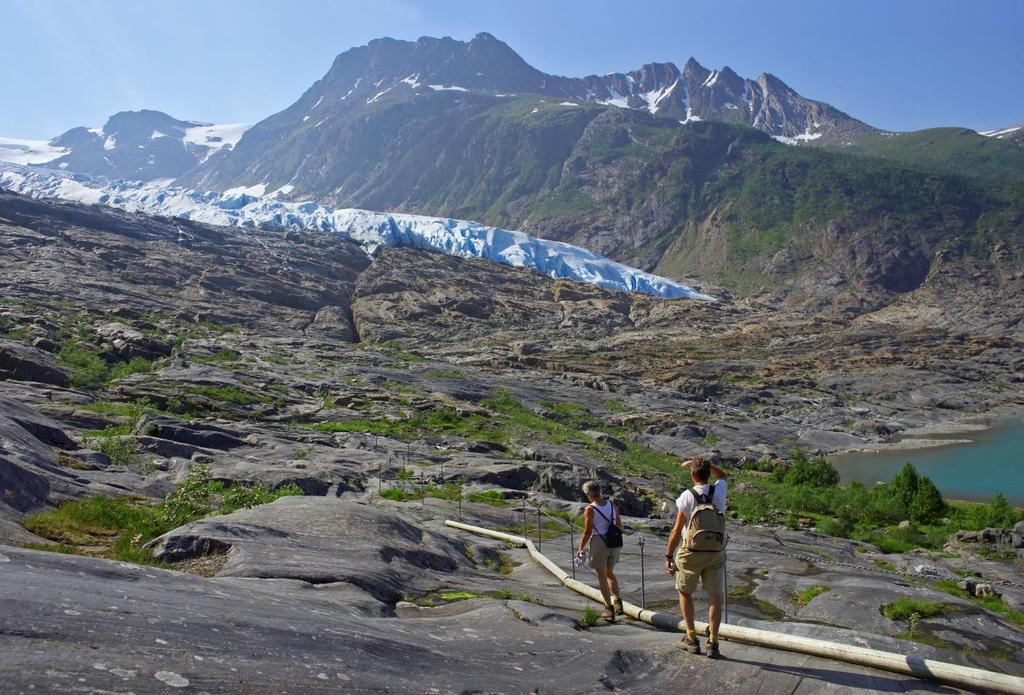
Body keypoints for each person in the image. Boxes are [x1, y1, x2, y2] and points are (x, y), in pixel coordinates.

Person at [664, 457, 729, 659]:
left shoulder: (686, 496)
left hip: (690, 551)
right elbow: (724, 475)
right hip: (715, 552)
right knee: (715, 597)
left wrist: (669, 556)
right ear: (709, 474)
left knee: (685, 592)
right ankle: (714, 642)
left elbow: (676, 530)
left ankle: (691, 638)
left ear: (692, 475)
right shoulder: (718, 491)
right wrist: (706, 464)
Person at [576, 480, 623, 621]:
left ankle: (608, 608)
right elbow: (619, 525)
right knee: (610, 573)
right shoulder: (611, 504)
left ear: (589, 494)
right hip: (615, 542)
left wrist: (580, 547)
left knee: (602, 576)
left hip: (599, 542)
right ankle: (619, 602)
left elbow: (587, 531)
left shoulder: (590, 508)